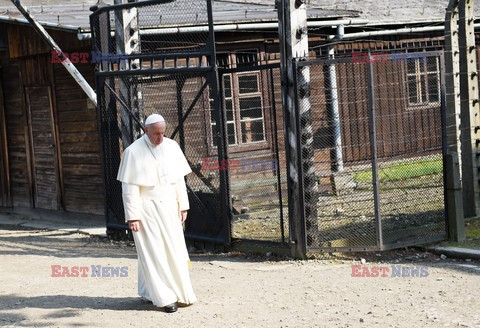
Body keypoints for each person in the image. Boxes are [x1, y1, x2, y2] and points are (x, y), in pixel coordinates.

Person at [116, 113, 197, 313]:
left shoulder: (172, 146)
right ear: (146, 131)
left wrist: (183, 205)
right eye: (155, 134)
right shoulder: (133, 152)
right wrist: (132, 215)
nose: (160, 137)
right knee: (154, 251)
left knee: (175, 249)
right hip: (147, 209)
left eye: (162, 133)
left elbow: (179, 180)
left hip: (170, 206)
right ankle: (164, 297)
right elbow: (130, 188)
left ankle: (173, 291)